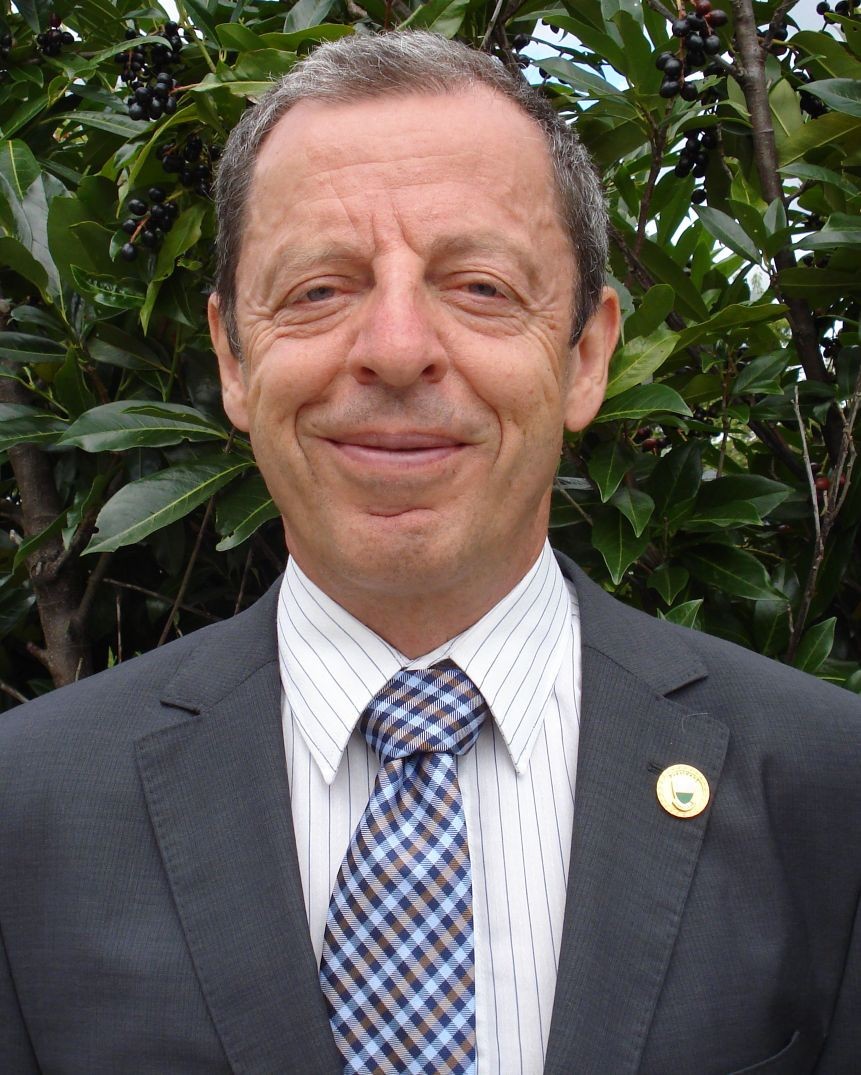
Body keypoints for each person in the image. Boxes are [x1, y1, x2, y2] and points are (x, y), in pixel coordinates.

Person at [1, 30, 859, 1075]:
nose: (398, 349)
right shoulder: (22, 810)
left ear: (587, 356)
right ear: (232, 357)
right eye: (319, 290)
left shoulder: (831, 789)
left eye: (480, 286)